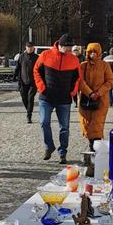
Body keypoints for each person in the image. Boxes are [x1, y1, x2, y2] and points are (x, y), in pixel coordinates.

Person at [33, 33, 81, 162]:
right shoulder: (45, 55)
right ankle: (49, 146)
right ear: (60, 46)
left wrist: (73, 91)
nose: (71, 50)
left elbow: (77, 78)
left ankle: (62, 152)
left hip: (64, 99)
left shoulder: (74, 59)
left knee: (64, 127)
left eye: (72, 47)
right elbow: (36, 71)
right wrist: (41, 87)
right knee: (44, 122)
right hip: (46, 97)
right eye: (68, 47)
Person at [78, 42, 113, 148]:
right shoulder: (83, 66)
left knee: (97, 123)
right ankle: (92, 143)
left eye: (95, 52)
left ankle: (95, 146)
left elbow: (109, 81)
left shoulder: (105, 65)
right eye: (91, 52)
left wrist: (98, 93)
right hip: (86, 99)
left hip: (101, 100)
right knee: (86, 123)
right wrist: (90, 93)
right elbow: (80, 81)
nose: (93, 54)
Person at [13, 41, 39, 123]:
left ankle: (29, 115)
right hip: (23, 82)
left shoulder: (37, 57)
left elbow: (41, 69)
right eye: (28, 47)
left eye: (31, 47)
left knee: (30, 98)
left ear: (33, 48)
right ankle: (28, 110)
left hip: (33, 82)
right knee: (24, 98)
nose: (30, 48)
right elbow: (18, 67)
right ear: (26, 48)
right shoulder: (21, 57)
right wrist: (14, 76)